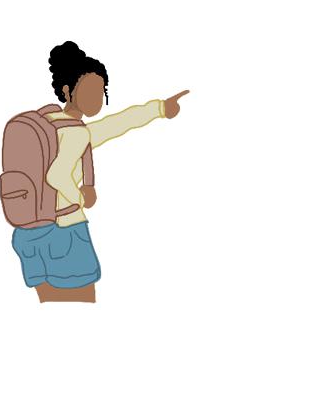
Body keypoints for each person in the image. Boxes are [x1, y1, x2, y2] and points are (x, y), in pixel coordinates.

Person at [12, 41, 189, 302]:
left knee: (51, 307)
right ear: (67, 91)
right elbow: (56, 175)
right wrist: (82, 198)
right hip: (65, 234)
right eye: (90, 90)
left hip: (29, 235)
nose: (97, 98)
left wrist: (159, 109)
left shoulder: (50, 126)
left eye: (101, 90)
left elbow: (115, 124)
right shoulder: (75, 133)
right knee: (79, 307)